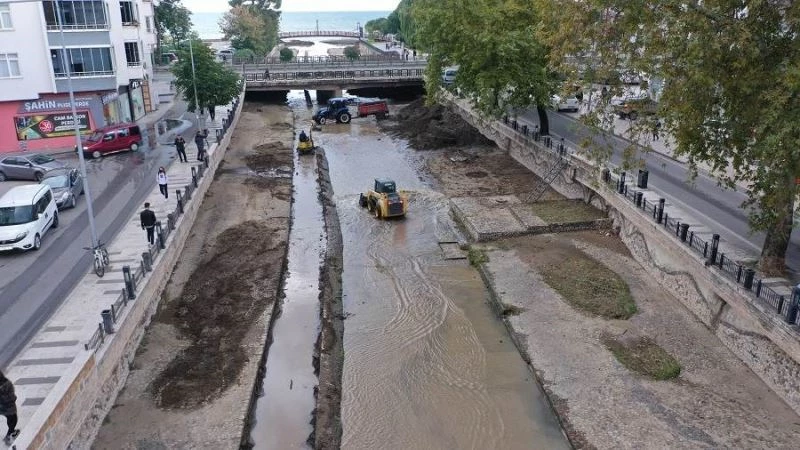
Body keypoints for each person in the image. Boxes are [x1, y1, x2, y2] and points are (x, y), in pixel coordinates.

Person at [0, 371, 19, 445]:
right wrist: (13, 398)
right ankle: (8, 436)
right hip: (8, 406)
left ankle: (12, 432)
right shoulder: (5, 385)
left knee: (10, 419)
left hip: (3, 407)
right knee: (14, 419)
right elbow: (8, 397)